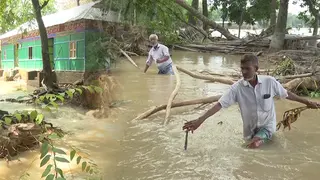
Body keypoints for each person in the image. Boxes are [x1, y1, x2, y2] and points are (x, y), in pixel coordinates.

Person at [183, 54, 320, 149]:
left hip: (267, 126)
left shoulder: (269, 82)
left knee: (254, 145)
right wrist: (200, 120)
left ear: (256, 69)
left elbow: (287, 94)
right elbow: (219, 105)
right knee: (247, 146)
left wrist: (307, 102)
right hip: (249, 129)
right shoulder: (237, 88)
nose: (243, 72)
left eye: (247, 69)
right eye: (242, 68)